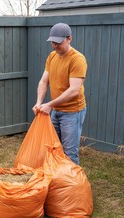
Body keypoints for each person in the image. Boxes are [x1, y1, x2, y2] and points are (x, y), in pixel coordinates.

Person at [32, 22, 87, 165]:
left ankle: (72, 186)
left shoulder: (77, 59)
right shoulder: (52, 56)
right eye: (52, 42)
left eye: (58, 42)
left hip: (72, 112)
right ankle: (58, 181)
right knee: (53, 148)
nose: (55, 46)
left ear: (69, 39)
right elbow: (44, 81)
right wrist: (39, 102)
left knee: (69, 153)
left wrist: (49, 104)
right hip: (56, 110)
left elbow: (74, 90)